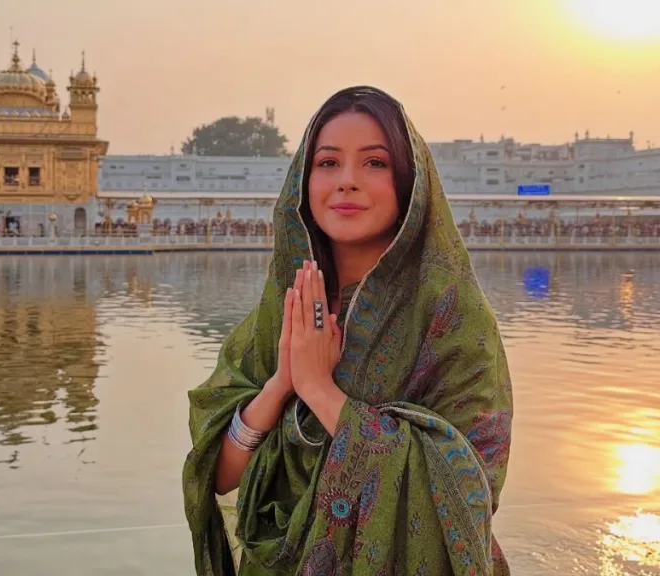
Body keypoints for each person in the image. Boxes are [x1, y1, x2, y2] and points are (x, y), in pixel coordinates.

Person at [182, 86, 513, 575]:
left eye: (375, 163)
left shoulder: (451, 318)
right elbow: (220, 476)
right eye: (328, 162)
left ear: (410, 182)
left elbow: (468, 489)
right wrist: (282, 384)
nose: (348, 182)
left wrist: (318, 389)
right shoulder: (285, 308)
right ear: (304, 178)